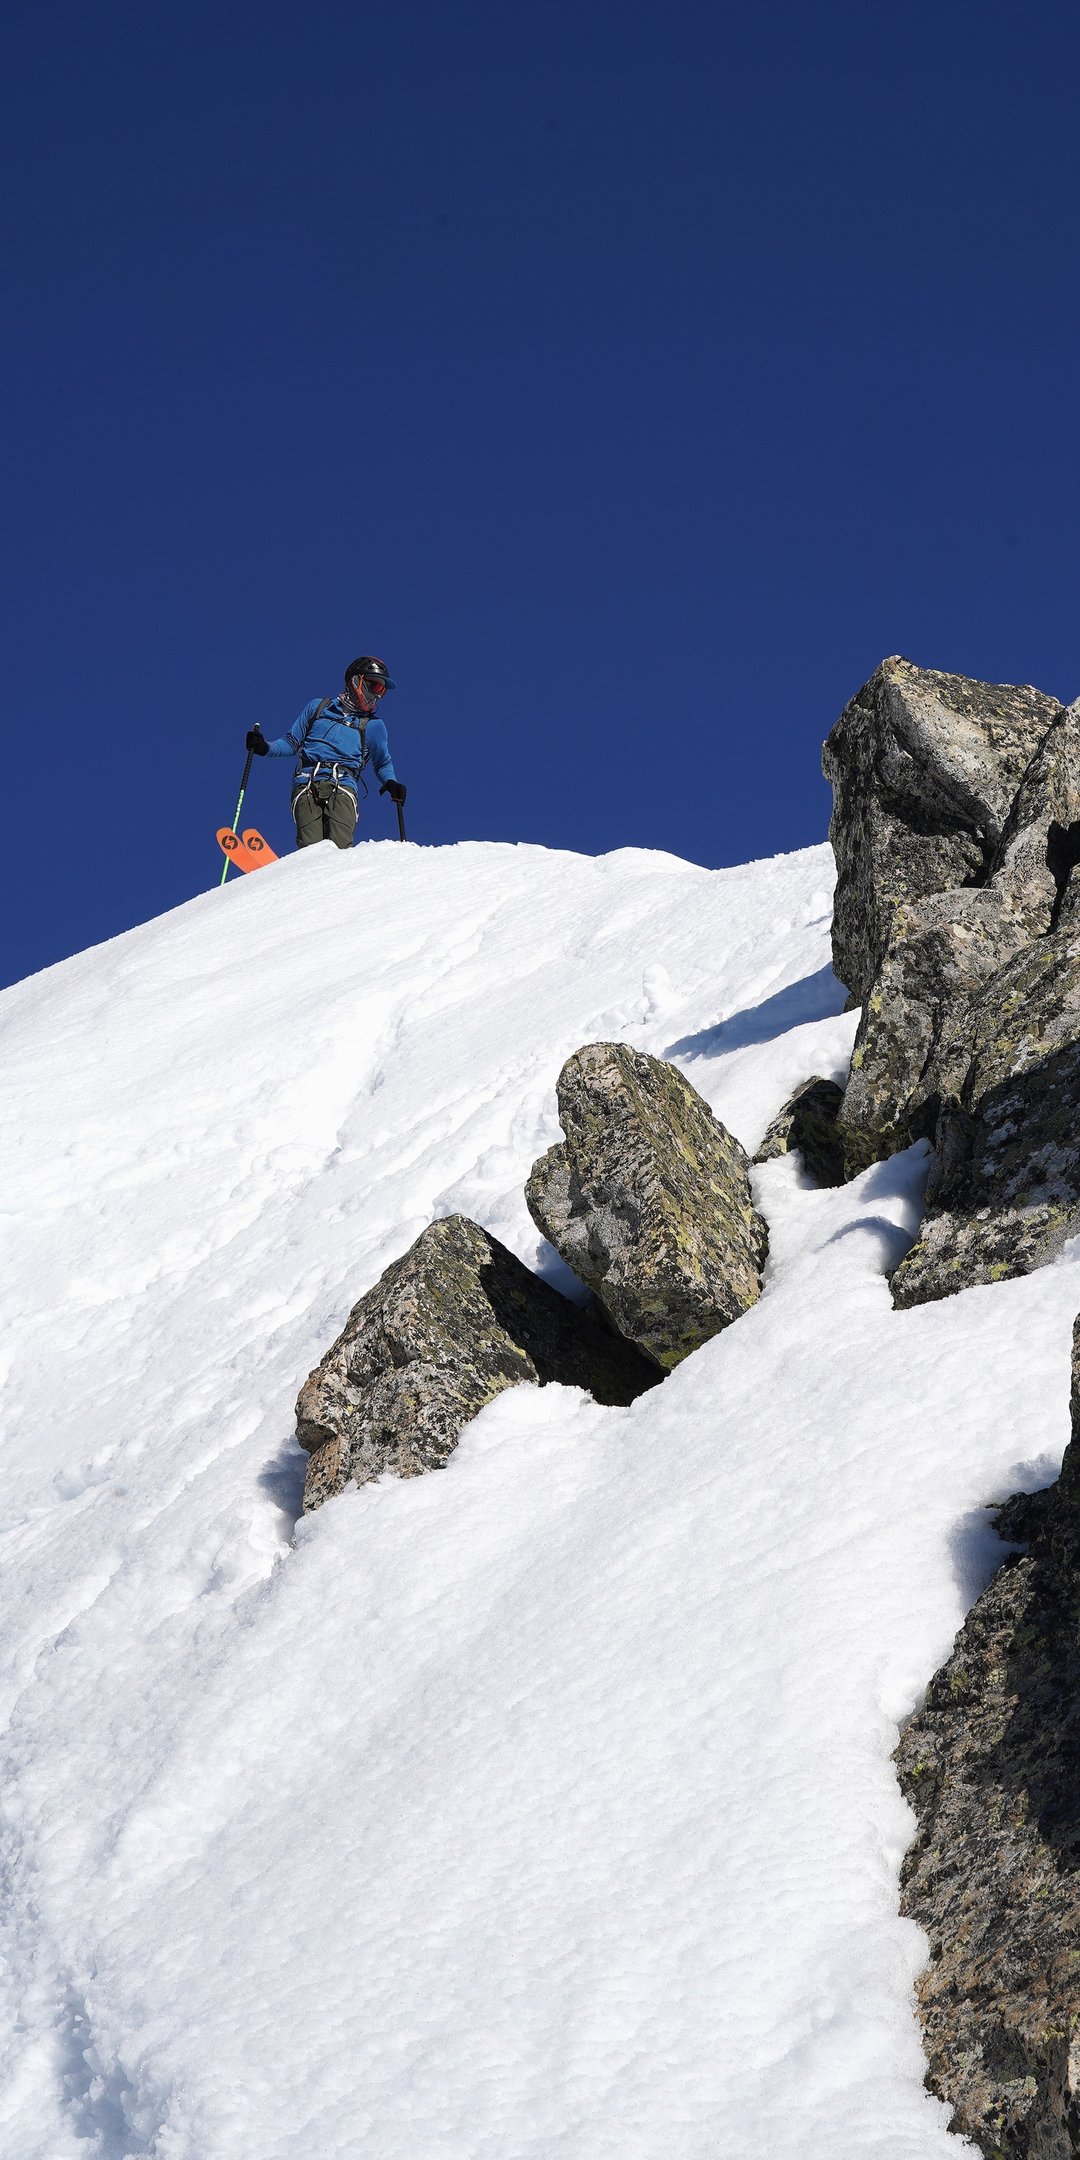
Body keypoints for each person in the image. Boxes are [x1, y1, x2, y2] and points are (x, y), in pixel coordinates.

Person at [245, 656, 407, 850]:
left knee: (340, 847)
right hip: (306, 783)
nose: (377, 695)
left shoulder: (374, 726)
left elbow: (382, 762)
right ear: (357, 680)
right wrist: (265, 747)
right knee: (310, 848)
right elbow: (291, 742)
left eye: (382, 690)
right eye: (374, 686)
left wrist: (391, 782)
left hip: (344, 785)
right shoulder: (318, 708)